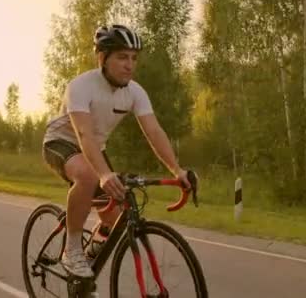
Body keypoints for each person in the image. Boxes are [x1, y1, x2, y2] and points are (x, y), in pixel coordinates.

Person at [42, 24, 194, 278]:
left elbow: (154, 132)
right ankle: (72, 249)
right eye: (122, 57)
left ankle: (89, 258)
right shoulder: (80, 86)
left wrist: (177, 170)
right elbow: (84, 135)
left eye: (134, 58)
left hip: (94, 149)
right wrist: (103, 174)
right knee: (89, 176)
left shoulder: (135, 92)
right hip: (61, 142)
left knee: (116, 214)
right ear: (102, 58)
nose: (130, 65)